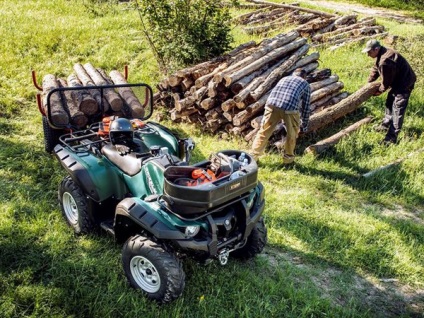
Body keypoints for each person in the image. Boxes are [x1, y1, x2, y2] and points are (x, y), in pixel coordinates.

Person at [251, 68, 311, 164]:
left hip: (271, 105)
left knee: (264, 131)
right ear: (304, 77)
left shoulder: (284, 78)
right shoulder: (305, 84)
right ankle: (288, 160)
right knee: (291, 134)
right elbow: (306, 107)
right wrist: (304, 126)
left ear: (293, 74)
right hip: (289, 108)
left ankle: (253, 157)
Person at [362, 39, 416, 144]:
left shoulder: (385, 60)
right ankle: (385, 125)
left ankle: (391, 138)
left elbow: (386, 82)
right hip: (397, 82)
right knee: (389, 102)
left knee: (397, 109)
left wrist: (379, 91)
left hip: (405, 84)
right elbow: (375, 68)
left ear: (376, 49)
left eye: (369, 52)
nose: (368, 55)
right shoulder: (382, 53)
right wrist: (368, 83)